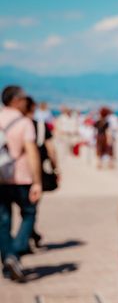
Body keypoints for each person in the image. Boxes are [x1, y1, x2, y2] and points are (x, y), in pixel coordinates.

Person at [0, 86, 42, 282]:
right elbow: (32, 152)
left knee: (3, 221)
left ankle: (9, 258)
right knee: (29, 213)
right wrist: (37, 182)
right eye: (24, 98)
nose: (27, 101)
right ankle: (14, 254)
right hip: (21, 177)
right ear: (15, 100)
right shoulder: (25, 123)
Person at [22, 96, 58, 251]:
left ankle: (26, 238)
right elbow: (51, 150)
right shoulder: (41, 127)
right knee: (31, 209)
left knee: (15, 211)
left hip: (12, 173)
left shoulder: (9, 125)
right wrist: (56, 168)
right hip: (36, 171)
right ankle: (26, 239)